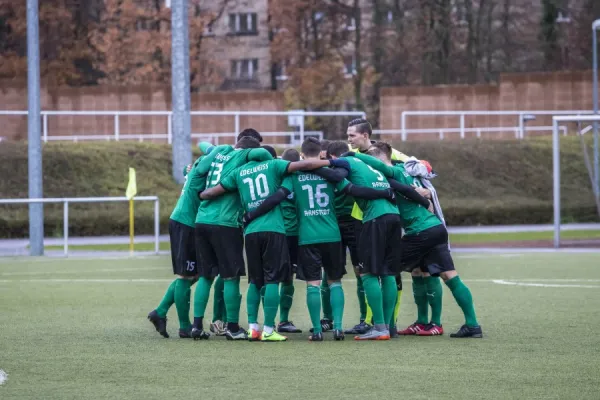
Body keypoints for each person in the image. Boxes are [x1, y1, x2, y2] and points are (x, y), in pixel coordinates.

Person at [200, 151, 345, 341]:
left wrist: (198, 192)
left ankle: (253, 328)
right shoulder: (275, 167)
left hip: (252, 232)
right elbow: (344, 187)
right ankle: (271, 329)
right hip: (284, 230)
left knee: (255, 281)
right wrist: (333, 162)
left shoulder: (240, 171)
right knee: (276, 281)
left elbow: (211, 192)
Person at [349, 142, 483, 338]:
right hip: (435, 227)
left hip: (420, 231)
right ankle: (464, 324)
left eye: (373, 161)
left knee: (387, 269)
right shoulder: (406, 169)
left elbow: (400, 185)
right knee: (436, 273)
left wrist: (352, 155)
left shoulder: (391, 172)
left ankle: (386, 327)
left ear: (380, 160)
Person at [188, 135, 273, 341]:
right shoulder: (243, 155)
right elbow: (262, 153)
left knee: (205, 276)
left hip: (202, 219)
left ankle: (197, 326)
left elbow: (203, 144)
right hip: (224, 222)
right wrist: (264, 161)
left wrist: (219, 148)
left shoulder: (221, 152)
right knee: (231, 276)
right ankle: (233, 327)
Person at [325, 140, 402, 340]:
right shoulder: (365, 161)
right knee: (388, 274)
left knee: (367, 273)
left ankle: (379, 327)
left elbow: (347, 185)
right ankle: (389, 325)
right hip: (394, 216)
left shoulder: (344, 162)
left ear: (334, 157)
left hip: (375, 218)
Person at [147, 142, 214, 339]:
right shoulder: (203, 168)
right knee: (187, 275)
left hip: (185, 221)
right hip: (185, 223)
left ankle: (159, 312)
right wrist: (218, 150)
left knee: (193, 275)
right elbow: (203, 147)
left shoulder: (198, 168)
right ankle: (184, 327)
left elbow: (201, 147)